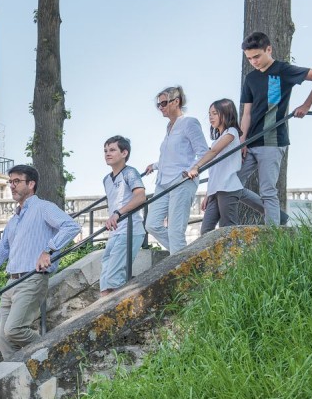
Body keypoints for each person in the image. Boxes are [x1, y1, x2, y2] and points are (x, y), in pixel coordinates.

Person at [0, 165, 81, 360]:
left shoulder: (44, 208)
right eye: (10, 182)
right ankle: (20, 381)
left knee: (14, 330)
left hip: (32, 279)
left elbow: (71, 226)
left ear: (31, 184)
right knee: (6, 342)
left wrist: (48, 250)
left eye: (17, 181)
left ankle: (54, 349)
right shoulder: (14, 220)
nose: (12, 186)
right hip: (11, 283)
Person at [237, 31, 312, 225]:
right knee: (230, 184)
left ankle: (272, 236)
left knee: (268, 190)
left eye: (257, 56)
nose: (253, 61)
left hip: (273, 140)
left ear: (268, 49)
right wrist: (242, 141)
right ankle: (279, 217)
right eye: (249, 58)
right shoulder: (250, 78)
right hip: (251, 141)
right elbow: (246, 113)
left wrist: (306, 106)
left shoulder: (283, 70)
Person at [144, 86, 208, 255]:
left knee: (175, 231)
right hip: (163, 182)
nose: (161, 108)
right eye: (158, 104)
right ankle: (184, 256)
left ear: (176, 101)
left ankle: (180, 271)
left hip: (182, 181)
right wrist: (155, 165)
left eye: (164, 103)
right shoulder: (169, 127)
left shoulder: (189, 123)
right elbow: (173, 155)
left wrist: (193, 169)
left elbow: (203, 152)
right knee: (151, 224)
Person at [186, 99, 244, 233]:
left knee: (228, 229)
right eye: (209, 114)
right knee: (205, 231)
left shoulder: (231, 132)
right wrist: (208, 194)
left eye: (215, 113)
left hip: (227, 188)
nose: (211, 117)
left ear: (226, 113)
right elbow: (214, 171)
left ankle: (235, 255)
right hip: (215, 191)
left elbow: (213, 152)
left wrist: (196, 167)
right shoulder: (219, 138)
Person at [100, 136, 146, 296]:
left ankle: (121, 316)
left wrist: (118, 213)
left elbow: (141, 196)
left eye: (112, 150)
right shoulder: (106, 179)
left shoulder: (130, 173)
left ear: (124, 152)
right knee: (104, 285)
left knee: (114, 279)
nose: (107, 153)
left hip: (130, 230)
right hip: (115, 232)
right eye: (105, 151)